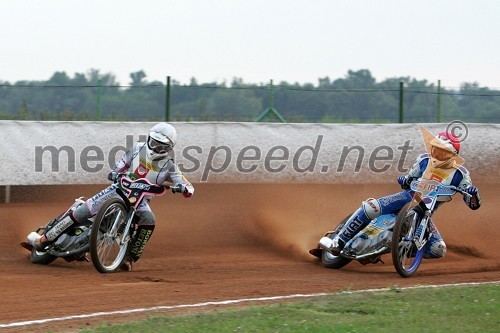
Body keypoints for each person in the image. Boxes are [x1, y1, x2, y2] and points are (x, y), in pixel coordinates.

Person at [27, 122, 194, 270]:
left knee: (149, 220)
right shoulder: (137, 148)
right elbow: (122, 163)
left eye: (160, 145)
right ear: (149, 137)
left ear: (167, 148)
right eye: (154, 141)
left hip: (140, 201)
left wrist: (184, 188)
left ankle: (129, 259)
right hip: (117, 190)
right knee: (82, 212)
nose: (155, 145)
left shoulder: (170, 166)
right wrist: (115, 172)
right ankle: (44, 240)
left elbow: (186, 184)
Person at [319, 131, 481, 259]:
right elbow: (407, 181)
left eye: (442, 152)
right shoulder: (424, 160)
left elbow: (473, 204)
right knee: (371, 207)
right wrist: (405, 179)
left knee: (437, 250)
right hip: (407, 198)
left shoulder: (461, 174)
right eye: (435, 149)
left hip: (425, 212)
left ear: (452, 155)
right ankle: (338, 241)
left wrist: (473, 194)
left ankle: (396, 251)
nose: (436, 154)